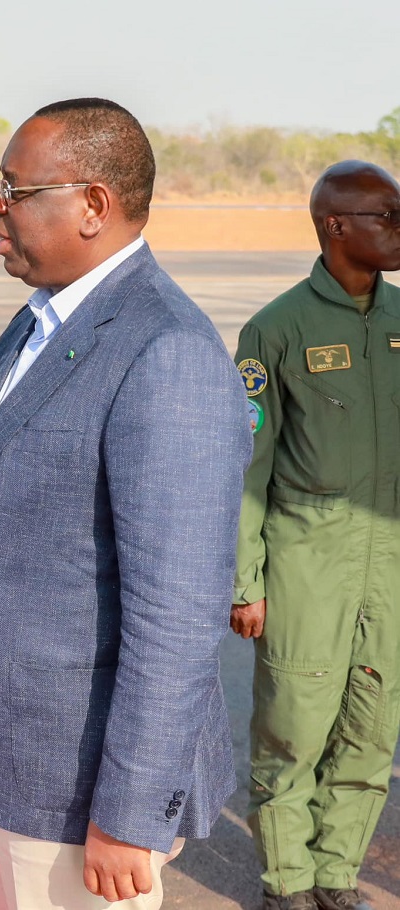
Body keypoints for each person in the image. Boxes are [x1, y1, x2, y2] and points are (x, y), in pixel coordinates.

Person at [0, 99, 252, 910]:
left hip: (83, 785)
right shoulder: (42, 322)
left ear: (92, 204)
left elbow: (178, 612)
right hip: (20, 759)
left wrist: (130, 815)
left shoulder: (165, 351)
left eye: (14, 190)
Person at [230, 160, 400, 910]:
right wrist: (246, 580)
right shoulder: (276, 330)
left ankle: (336, 878)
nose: (398, 229)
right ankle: (287, 884)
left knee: (372, 729)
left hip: (389, 566)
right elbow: (246, 468)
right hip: (308, 563)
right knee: (293, 730)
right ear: (335, 226)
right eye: (386, 216)